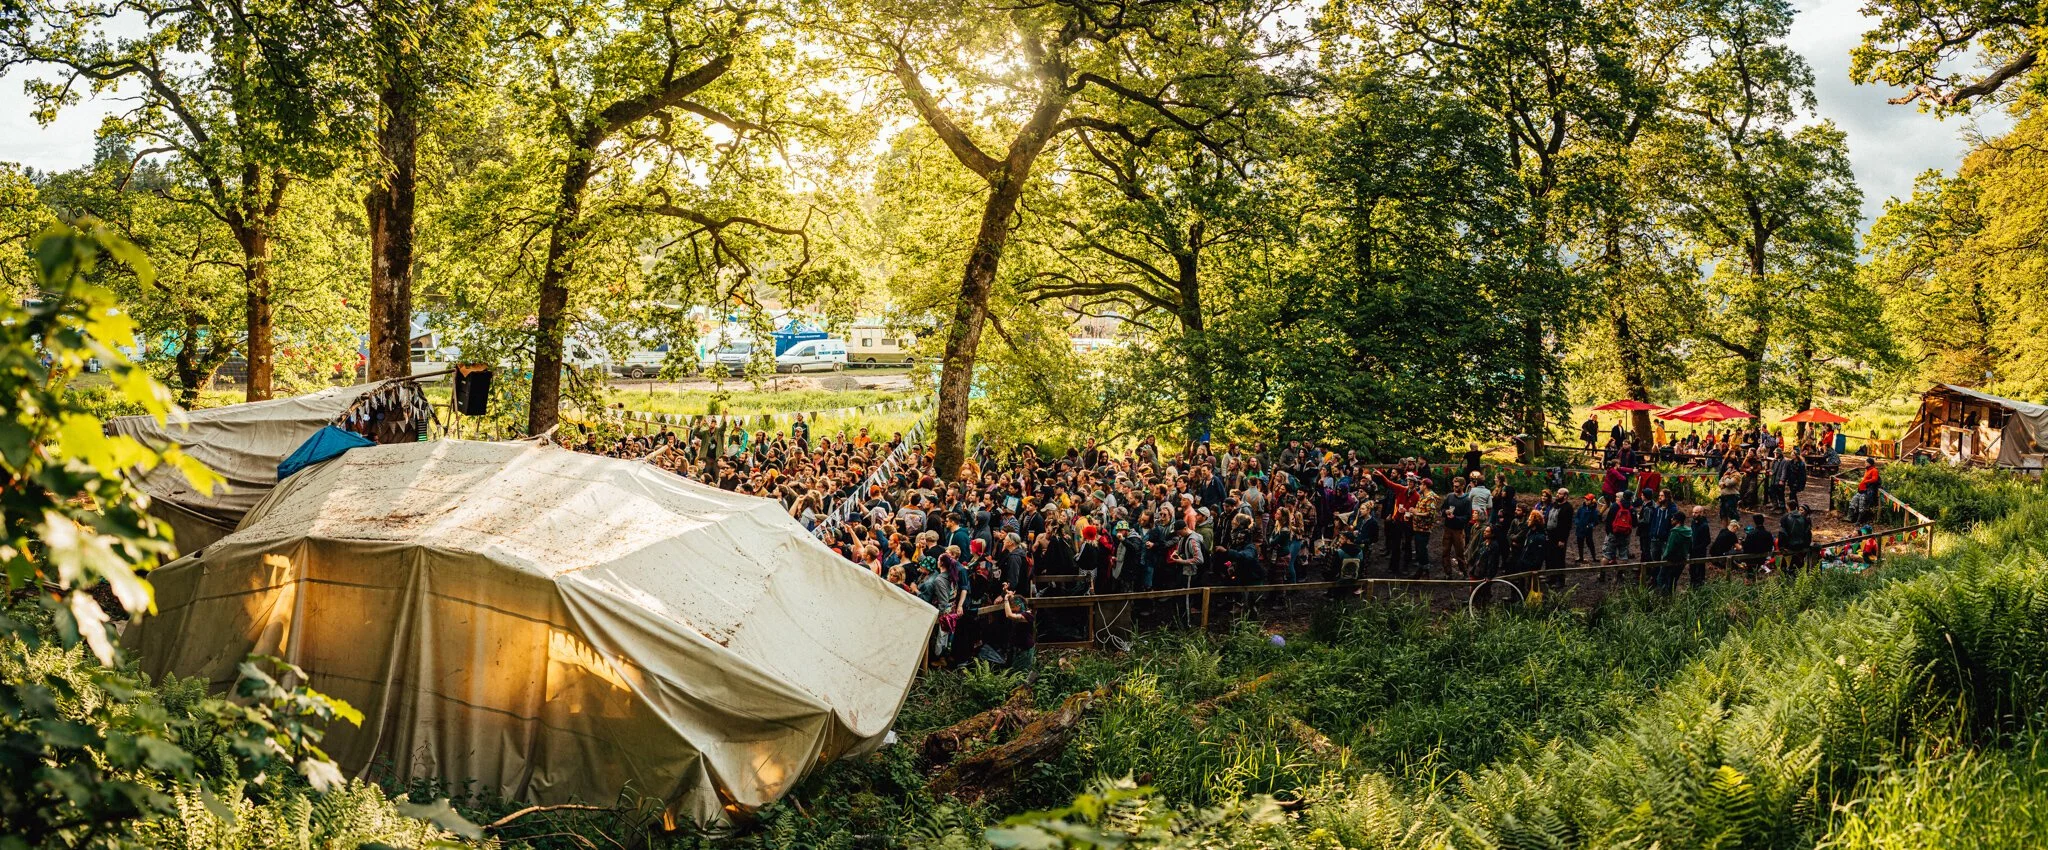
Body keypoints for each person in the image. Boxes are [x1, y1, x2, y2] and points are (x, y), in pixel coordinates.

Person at [1656, 512, 1693, 595]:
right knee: (1673, 580)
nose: (1671, 519)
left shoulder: (1675, 532)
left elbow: (1670, 548)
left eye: (1673, 518)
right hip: (1682, 559)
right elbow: (1691, 545)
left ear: (1677, 520)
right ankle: (1671, 598)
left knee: (1661, 579)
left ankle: (1663, 598)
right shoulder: (1689, 531)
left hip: (1671, 560)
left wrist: (1664, 557)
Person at [1778, 502, 1813, 575]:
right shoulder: (1804, 519)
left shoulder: (1785, 518)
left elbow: (1782, 533)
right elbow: (1808, 534)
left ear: (1788, 507)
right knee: (1799, 565)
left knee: (1786, 565)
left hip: (1789, 546)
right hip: (1801, 546)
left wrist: (1781, 547)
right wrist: (1806, 545)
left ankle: (1787, 578)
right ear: (1796, 508)